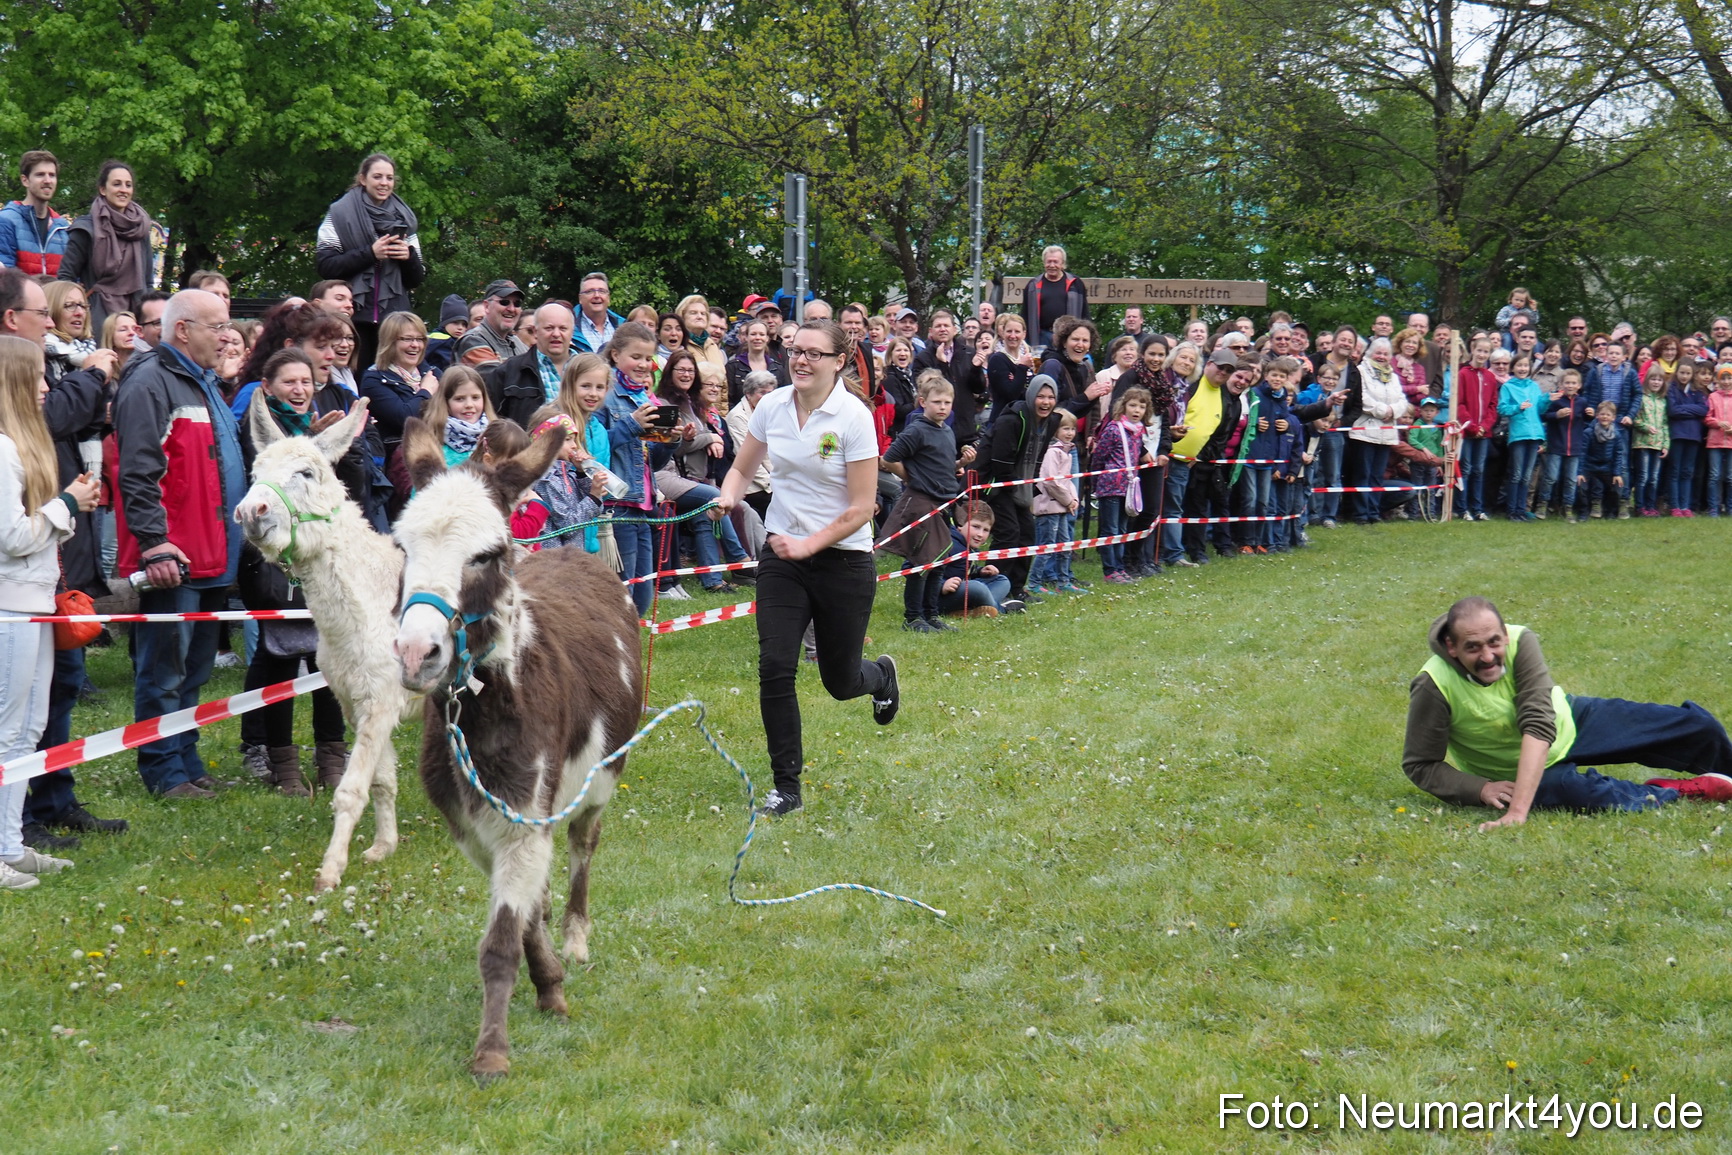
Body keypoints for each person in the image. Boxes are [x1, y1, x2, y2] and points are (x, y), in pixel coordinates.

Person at [712, 318, 898, 817]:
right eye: (795, 350)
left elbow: (863, 507)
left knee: (840, 682)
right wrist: (726, 496)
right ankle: (786, 787)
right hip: (783, 556)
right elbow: (742, 468)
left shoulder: (853, 417)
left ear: (839, 361)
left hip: (843, 559)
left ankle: (879, 677)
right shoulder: (772, 406)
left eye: (815, 353)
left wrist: (811, 544)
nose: (801, 359)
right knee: (775, 666)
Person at [1403, 597, 1732, 831]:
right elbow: (1420, 764)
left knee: (1696, 726)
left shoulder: (1522, 641)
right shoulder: (1433, 685)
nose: (1488, 656)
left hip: (1569, 722)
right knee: (1582, 792)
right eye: (1473, 647)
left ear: (1505, 635)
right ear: (1451, 647)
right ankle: (1675, 793)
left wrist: (1519, 812)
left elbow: (1538, 722)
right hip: (1514, 770)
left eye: (1494, 643)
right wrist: (1481, 789)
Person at [0, 271, 125, 847]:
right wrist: (66, 504)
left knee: (44, 708)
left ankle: (41, 811)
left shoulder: (41, 375)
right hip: (14, 594)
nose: (52, 322)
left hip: (45, 579)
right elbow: (12, 533)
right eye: (45, 312)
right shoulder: (8, 421)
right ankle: (14, 829)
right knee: (14, 721)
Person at [112, 289, 244, 799]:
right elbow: (138, 474)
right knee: (165, 670)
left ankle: (186, 759)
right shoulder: (149, 383)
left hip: (214, 554)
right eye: (218, 326)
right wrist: (155, 544)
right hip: (178, 556)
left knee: (194, 670)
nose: (228, 335)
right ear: (184, 329)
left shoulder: (202, 382)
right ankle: (163, 770)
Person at [0, 335, 101, 887]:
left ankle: (10, 844)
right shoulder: (0, 450)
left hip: (32, 604)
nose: (46, 387)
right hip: (8, 608)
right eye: (37, 377)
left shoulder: (17, 447)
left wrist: (64, 500)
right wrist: (67, 504)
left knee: (28, 729)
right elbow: (12, 537)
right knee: (6, 729)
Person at [236, 351, 351, 796]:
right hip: (272, 564)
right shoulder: (263, 441)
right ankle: (282, 765)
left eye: (306, 381)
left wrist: (333, 452)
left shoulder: (325, 439)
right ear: (269, 387)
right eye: (289, 382)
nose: (300, 390)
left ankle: (332, 761)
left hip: (322, 564)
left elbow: (348, 492)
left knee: (327, 663)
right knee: (280, 660)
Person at [654, 350, 750, 596]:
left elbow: (685, 442)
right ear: (670, 373)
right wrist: (709, 437)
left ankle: (713, 581)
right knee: (714, 497)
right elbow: (669, 447)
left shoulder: (691, 403)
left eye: (690, 370)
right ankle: (740, 560)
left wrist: (704, 438)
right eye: (681, 370)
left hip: (689, 477)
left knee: (706, 514)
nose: (686, 374)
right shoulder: (662, 403)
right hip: (664, 476)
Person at [600, 322, 680, 615]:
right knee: (623, 593)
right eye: (636, 357)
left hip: (644, 504)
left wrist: (671, 441)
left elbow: (651, 462)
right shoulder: (605, 396)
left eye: (649, 358)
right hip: (617, 504)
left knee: (643, 594)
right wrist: (632, 424)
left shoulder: (646, 397)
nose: (644, 364)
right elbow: (596, 450)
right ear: (616, 355)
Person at [877, 371, 967, 632]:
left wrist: (961, 463)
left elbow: (941, 466)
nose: (942, 407)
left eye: (947, 403)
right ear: (922, 402)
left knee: (939, 560)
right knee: (922, 564)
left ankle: (931, 615)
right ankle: (913, 618)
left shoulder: (947, 431)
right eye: (937, 402)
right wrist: (914, 477)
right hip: (921, 503)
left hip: (942, 503)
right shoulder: (917, 429)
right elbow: (888, 459)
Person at [984, 374, 1062, 601]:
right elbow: (1000, 463)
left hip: (1023, 486)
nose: (1046, 402)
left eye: (1050, 397)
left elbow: (1037, 459)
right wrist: (1016, 491)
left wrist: (1030, 490)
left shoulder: (1051, 422)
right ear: (1031, 396)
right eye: (1040, 396)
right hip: (997, 485)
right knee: (1009, 533)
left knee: (1027, 534)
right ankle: (994, 589)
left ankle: (1016, 589)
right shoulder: (1012, 419)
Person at [57, 160, 155, 333]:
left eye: (128, 185)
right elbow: (66, 278)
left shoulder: (141, 229)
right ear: (103, 189)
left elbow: (147, 282)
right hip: (96, 317)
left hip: (135, 317)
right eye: (116, 184)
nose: (123, 190)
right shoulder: (86, 229)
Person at [1344, 337, 1411, 525]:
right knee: (1362, 474)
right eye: (1378, 353)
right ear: (1370, 353)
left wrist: (1392, 411)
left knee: (1377, 475)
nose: (1381, 356)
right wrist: (1384, 411)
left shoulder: (1393, 376)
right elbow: (1363, 399)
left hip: (1386, 433)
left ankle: (1373, 512)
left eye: (1385, 353)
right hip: (1364, 431)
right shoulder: (1360, 371)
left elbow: (1402, 400)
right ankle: (1360, 513)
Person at [1091, 387, 1152, 580]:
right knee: (1111, 529)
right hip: (1110, 486)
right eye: (1132, 405)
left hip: (1128, 487)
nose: (1136, 410)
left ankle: (1120, 567)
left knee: (1123, 529)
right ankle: (1111, 570)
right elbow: (1099, 457)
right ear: (1123, 406)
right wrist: (1095, 482)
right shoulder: (1113, 429)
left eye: (1141, 407)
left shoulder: (1137, 432)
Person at [482, 302, 575, 427]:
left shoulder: (589, 370)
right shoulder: (508, 372)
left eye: (563, 328)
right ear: (535, 332)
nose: (556, 334)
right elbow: (491, 422)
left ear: (572, 332)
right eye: (549, 328)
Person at [358, 309, 439, 448]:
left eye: (420, 339)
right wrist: (425, 391)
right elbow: (405, 418)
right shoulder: (373, 380)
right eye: (407, 339)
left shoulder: (433, 373)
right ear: (389, 342)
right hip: (399, 459)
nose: (415, 345)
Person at [1029, 410, 1082, 594]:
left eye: (1072, 429)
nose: (1069, 433)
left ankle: (1063, 581)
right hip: (1049, 507)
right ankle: (1034, 583)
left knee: (1065, 545)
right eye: (1065, 428)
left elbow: (1068, 480)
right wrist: (1068, 500)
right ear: (1055, 431)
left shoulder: (1067, 452)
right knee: (1047, 547)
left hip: (1062, 507)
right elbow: (1051, 481)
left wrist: (1074, 499)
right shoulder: (1053, 452)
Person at [937, 505, 1022, 617]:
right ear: (960, 525)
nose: (980, 534)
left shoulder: (969, 547)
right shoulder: (948, 544)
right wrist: (942, 586)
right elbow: (922, 572)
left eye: (986, 530)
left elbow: (963, 570)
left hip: (963, 593)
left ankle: (972, 610)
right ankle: (1000, 609)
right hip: (941, 598)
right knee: (977, 587)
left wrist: (980, 571)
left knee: (1002, 580)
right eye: (976, 526)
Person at [1, 150, 69, 276]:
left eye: (52, 175)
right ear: (25, 180)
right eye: (40, 175)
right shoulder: (6, 221)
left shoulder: (62, 227)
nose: (47, 180)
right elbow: (5, 277)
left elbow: (70, 278)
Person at [1496, 351, 1547, 521]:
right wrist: (1518, 407)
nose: (1523, 368)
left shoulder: (1534, 386)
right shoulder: (1508, 387)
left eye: (1526, 365)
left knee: (1527, 475)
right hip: (1518, 435)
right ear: (1513, 368)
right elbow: (1502, 408)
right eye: (1519, 365)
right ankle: (1512, 511)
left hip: (1534, 434)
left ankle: (1521, 509)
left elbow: (1540, 409)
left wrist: (1548, 399)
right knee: (1516, 474)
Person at [1454, 339, 1498, 521]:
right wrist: (1471, 426)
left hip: (1484, 433)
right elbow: (1460, 403)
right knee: (1465, 469)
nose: (1482, 355)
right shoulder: (1463, 374)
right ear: (1472, 350)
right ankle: (1462, 508)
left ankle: (1477, 508)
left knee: (1479, 470)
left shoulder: (1490, 376)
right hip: (1467, 432)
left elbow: (1492, 405)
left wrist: (1485, 426)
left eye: (1486, 352)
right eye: (1479, 350)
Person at [1538, 369, 1589, 520]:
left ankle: (1568, 508)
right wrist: (1556, 415)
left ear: (1579, 385)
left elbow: (1586, 420)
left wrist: (1590, 413)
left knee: (1571, 480)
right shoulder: (1556, 400)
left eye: (1573, 383)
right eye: (1567, 382)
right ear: (1561, 384)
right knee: (1551, 477)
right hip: (1556, 445)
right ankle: (1542, 505)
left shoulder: (1582, 402)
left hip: (1575, 447)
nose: (1570, 385)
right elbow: (1543, 416)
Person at [726, 369, 776, 521]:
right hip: (752, 484)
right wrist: (772, 486)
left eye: (770, 393)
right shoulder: (737, 417)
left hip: (770, 478)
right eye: (762, 393)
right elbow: (748, 460)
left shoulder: (769, 412)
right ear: (748, 393)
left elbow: (770, 454)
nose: (767, 397)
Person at [422, 364, 493, 467]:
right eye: (460, 398)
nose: (469, 405)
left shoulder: (498, 436)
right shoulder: (432, 447)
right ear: (445, 402)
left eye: (475, 397)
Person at [1022, 245, 1088, 347]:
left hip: (1068, 335)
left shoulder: (1076, 284)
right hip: (1041, 336)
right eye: (1049, 261)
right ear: (1044, 262)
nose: (1052, 265)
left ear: (1062, 263)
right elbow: (1025, 315)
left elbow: (1085, 314)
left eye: (1055, 262)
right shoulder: (1033, 285)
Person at [1629, 364, 1671, 517]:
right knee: (1643, 476)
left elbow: (1665, 423)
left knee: (1654, 477)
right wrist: (1646, 427)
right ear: (1647, 380)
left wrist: (1666, 444)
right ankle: (1639, 507)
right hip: (1642, 442)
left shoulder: (1662, 401)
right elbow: (1635, 419)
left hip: (1658, 444)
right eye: (1653, 379)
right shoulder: (1641, 398)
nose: (1656, 382)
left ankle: (1651, 506)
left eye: (1659, 380)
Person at [1667, 361, 1707, 517]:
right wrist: (1692, 411)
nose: (1684, 376)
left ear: (1692, 375)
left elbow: (1703, 409)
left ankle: (1685, 506)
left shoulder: (1698, 392)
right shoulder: (1672, 389)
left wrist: (1683, 409)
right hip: (1677, 434)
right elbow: (1672, 410)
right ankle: (1675, 506)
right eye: (1682, 372)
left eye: (1688, 373)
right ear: (1677, 372)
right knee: (1675, 470)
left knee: (1688, 471)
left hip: (1693, 436)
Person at [455, 279, 526, 365]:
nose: (511, 309)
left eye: (517, 303)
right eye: (504, 302)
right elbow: (495, 377)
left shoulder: (516, 342)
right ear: (487, 306)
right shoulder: (473, 340)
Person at [1579, 401, 1628, 519]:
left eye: (1608, 415)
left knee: (1617, 486)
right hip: (1590, 466)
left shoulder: (1616, 434)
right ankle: (1583, 513)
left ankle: (1611, 512)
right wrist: (1580, 472)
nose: (1605, 417)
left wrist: (1617, 474)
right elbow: (1582, 453)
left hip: (1607, 467)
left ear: (1613, 418)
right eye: (1602, 414)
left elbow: (1618, 454)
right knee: (1581, 486)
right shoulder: (1588, 432)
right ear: (1597, 415)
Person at [725, 318, 788, 404]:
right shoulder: (733, 367)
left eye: (761, 334)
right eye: (753, 334)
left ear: (767, 338)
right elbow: (728, 400)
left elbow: (783, 399)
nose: (757, 338)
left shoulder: (778, 368)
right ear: (746, 337)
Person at [573, 271, 625, 354]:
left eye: (602, 291)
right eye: (590, 291)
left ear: (608, 298)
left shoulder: (624, 326)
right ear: (580, 298)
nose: (597, 295)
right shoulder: (569, 328)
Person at [1706, 365, 1732, 515]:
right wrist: (1717, 423)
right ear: (1718, 380)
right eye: (1723, 378)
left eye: (1729, 378)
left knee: (1730, 476)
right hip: (1715, 441)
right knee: (1714, 475)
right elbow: (1707, 417)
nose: (1727, 381)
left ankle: (1730, 508)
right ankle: (1713, 508)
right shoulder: (1713, 396)